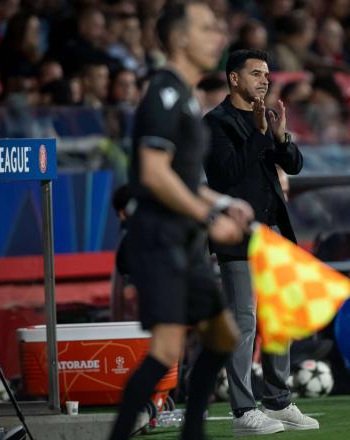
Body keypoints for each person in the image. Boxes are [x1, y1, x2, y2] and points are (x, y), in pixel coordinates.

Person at [107, 3, 254, 440]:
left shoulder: (188, 95)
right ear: (179, 38)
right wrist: (211, 216)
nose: (218, 36)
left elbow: (185, 177)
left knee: (223, 336)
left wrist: (226, 200)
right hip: (160, 241)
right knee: (165, 352)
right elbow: (154, 173)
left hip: (185, 241)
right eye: (207, 28)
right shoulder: (164, 93)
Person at [203, 49, 318, 435]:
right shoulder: (215, 123)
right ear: (234, 79)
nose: (265, 80)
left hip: (272, 233)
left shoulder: (266, 118)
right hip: (237, 237)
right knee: (244, 320)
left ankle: (279, 400)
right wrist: (257, 133)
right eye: (256, 73)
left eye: (267, 74)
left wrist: (281, 136)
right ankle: (242, 411)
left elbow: (294, 165)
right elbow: (225, 175)